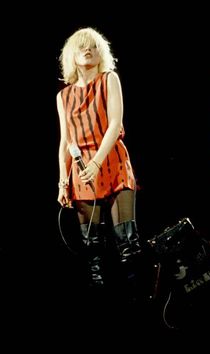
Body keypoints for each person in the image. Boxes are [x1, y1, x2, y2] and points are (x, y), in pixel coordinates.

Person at [56, 27, 142, 296]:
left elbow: (115, 124)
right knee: (91, 250)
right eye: (82, 45)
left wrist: (96, 163)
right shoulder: (63, 96)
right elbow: (64, 143)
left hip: (112, 163)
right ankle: (100, 304)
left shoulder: (109, 80)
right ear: (72, 54)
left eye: (92, 45)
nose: (87, 49)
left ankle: (138, 296)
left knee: (126, 241)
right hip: (81, 172)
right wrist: (62, 181)